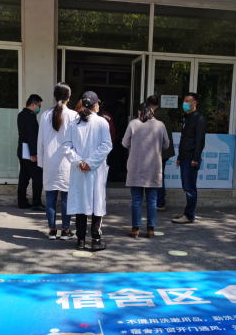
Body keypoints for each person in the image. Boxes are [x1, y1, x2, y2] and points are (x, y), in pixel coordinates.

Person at [63, 91, 113, 251]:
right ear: (95, 105)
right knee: (97, 203)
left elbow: (66, 146)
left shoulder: (74, 123)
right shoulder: (102, 122)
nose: (99, 105)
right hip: (95, 170)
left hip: (80, 170)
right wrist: (90, 163)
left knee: (81, 204)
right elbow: (107, 145)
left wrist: (80, 162)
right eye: (98, 103)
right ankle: (96, 239)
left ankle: (81, 240)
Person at [37, 83, 78, 240]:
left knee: (50, 198)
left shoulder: (45, 115)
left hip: (49, 162)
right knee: (67, 199)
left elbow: (40, 141)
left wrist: (41, 162)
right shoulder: (74, 116)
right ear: (69, 97)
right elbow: (77, 141)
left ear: (55, 97)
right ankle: (66, 230)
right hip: (68, 163)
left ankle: (52, 230)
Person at [122, 103, 170, 238]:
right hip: (153, 168)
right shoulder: (160, 125)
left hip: (136, 167)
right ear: (152, 112)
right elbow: (166, 144)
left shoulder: (133, 124)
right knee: (152, 200)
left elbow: (125, 143)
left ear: (139, 112)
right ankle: (150, 229)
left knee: (136, 200)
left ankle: (135, 229)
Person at [172, 92, 206, 224]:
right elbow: (184, 139)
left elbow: (200, 141)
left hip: (191, 158)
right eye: (184, 101)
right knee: (187, 186)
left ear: (194, 103)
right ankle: (188, 213)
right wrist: (179, 157)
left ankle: (189, 215)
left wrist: (195, 159)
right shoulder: (187, 117)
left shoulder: (199, 118)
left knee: (190, 187)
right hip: (184, 157)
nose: (184, 103)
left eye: (187, 101)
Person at [146, 95, 175, 211]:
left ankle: (160, 202)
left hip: (159, 152)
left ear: (150, 105)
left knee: (158, 177)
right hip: (164, 151)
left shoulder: (157, 115)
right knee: (159, 176)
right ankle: (159, 201)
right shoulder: (163, 113)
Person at [17, 94, 44, 210]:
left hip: (21, 149)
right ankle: (36, 203)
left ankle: (22, 202)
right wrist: (34, 154)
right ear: (33, 104)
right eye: (39, 106)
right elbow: (32, 136)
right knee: (37, 177)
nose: (39, 108)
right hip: (29, 151)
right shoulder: (31, 117)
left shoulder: (21, 115)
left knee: (24, 176)